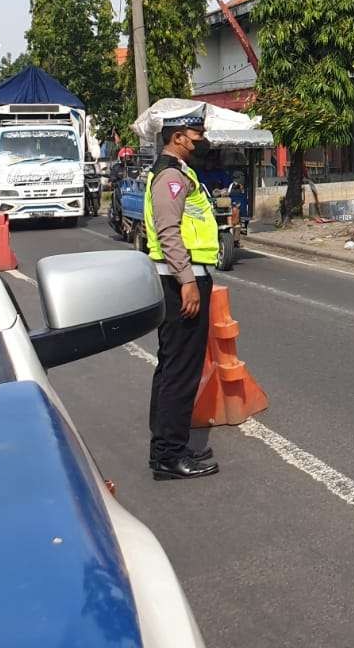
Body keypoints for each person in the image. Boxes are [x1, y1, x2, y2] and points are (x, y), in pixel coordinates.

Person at [144, 111, 221, 481]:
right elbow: (168, 230)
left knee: (171, 365)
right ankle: (168, 457)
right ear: (177, 136)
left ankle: (167, 444)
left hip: (179, 279)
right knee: (180, 371)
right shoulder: (171, 176)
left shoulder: (175, 172)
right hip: (180, 283)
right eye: (195, 133)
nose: (200, 139)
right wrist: (187, 280)